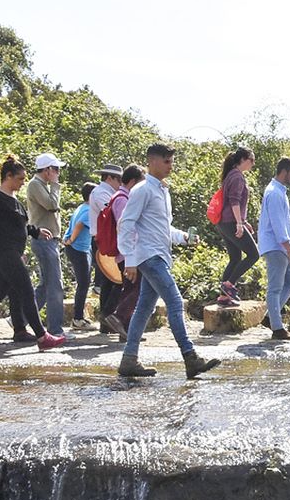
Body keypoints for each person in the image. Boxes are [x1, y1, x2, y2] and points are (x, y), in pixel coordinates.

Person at [116, 143, 219, 379]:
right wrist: (129, 259)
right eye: (166, 161)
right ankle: (190, 357)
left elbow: (163, 227)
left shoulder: (162, 191)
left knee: (144, 307)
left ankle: (129, 359)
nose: (171, 166)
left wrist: (183, 237)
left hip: (158, 255)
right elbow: (126, 223)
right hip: (148, 256)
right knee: (175, 301)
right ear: (152, 161)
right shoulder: (142, 190)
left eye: (172, 161)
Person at [0, 157, 65, 351]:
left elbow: (20, 225)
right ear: (8, 176)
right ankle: (42, 337)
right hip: (4, 252)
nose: (23, 182)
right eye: (20, 178)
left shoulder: (14, 199)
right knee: (26, 291)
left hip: (12, 252)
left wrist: (35, 231)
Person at [25, 152, 68, 339]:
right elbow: (52, 205)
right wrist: (56, 185)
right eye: (56, 169)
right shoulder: (35, 184)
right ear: (48, 170)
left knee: (44, 285)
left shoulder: (41, 185)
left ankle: (20, 319)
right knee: (55, 285)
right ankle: (55, 329)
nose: (58, 173)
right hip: (44, 240)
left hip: (49, 240)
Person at [258, 156, 290, 340]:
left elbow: (285, 225)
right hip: (276, 246)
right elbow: (278, 226)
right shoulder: (275, 193)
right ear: (283, 172)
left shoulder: (279, 191)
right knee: (275, 288)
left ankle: (270, 317)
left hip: (281, 247)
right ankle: (277, 329)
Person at [102, 165, 146, 340]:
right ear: (133, 182)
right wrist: (131, 257)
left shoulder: (121, 197)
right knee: (136, 288)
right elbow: (126, 228)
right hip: (128, 253)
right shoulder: (122, 199)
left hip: (127, 253)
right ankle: (118, 317)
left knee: (129, 288)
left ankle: (127, 331)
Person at [214, 146, 259, 308]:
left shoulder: (231, 175)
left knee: (235, 258)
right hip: (231, 223)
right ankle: (229, 285)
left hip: (224, 222)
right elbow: (234, 201)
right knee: (253, 255)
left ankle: (223, 297)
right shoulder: (237, 177)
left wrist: (243, 221)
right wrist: (239, 224)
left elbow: (232, 203)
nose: (253, 163)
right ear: (243, 160)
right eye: (251, 160)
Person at [90, 164, 124, 320]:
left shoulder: (107, 193)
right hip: (104, 240)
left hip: (108, 239)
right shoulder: (100, 193)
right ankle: (108, 316)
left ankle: (106, 319)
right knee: (115, 280)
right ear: (110, 178)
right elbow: (112, 213)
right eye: (119, 180)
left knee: (110, 282)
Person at [62, 182, 95, 330]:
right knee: (84, 284)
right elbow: (80, 224)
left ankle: (79, 317)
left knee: (84, 283)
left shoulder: (81, 207)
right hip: (78, 249)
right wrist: (72, 239)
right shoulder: (89, 210)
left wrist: (68, 239)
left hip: (78, 249)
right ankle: (77, 319)